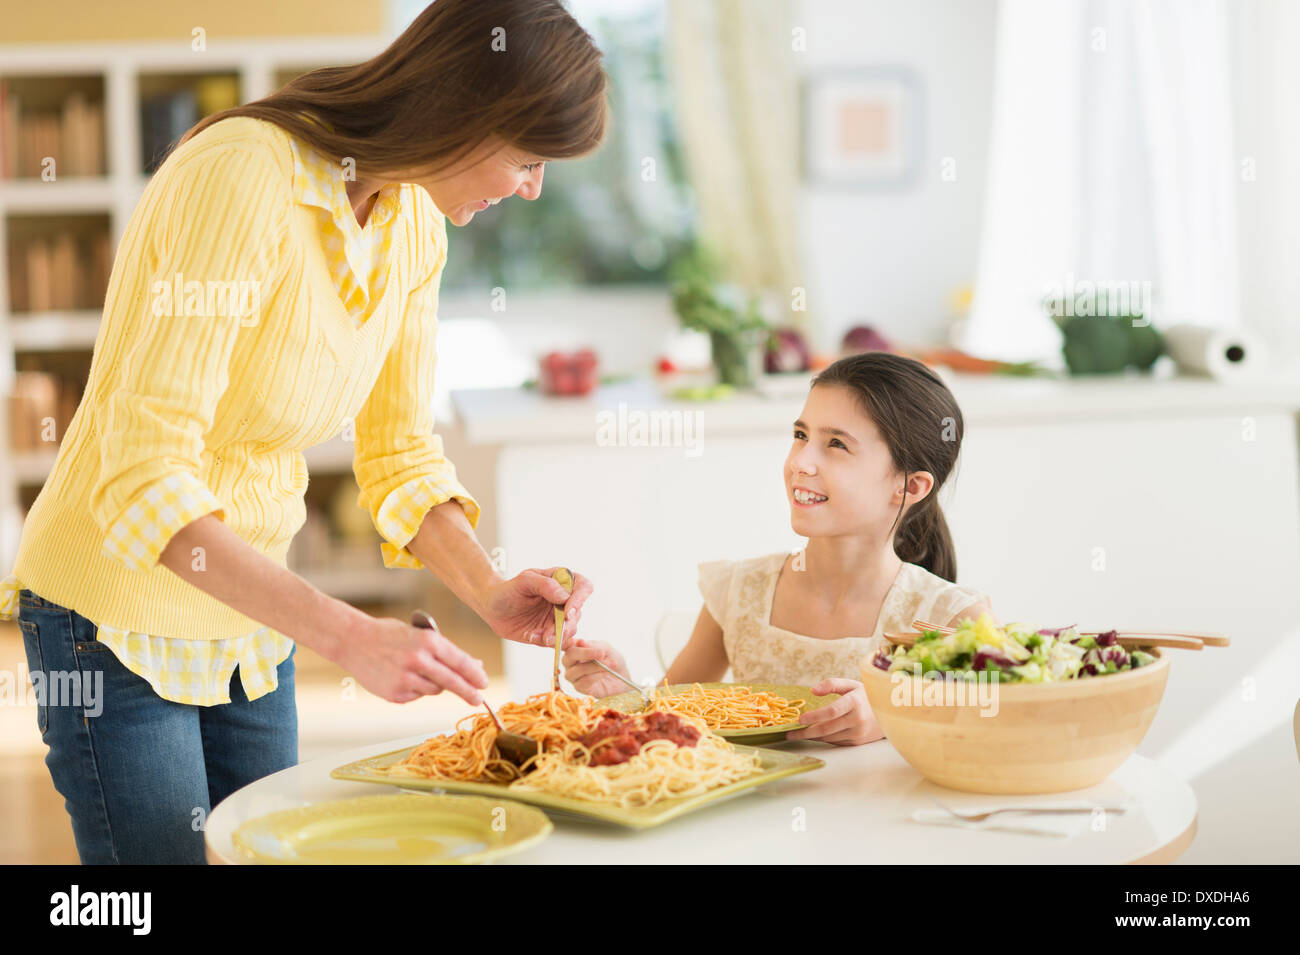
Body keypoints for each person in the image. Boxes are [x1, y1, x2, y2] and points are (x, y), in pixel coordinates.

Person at [0, 0, 606, 864]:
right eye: (530, 157)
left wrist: (489, 591)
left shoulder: (412, 226)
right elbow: (141, 475)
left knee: (271, 855)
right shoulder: (241, 176)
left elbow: (399, 453)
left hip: (251, 614)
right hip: (112, 610)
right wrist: (350, 634)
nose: (532, 185)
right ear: (468, 113)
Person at [564, 352, 995, 745]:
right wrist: (622, 691)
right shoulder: (737, 592)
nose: (800, 462)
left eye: (837, 444)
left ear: (910, 486)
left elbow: (991, 739)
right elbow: (669, 723)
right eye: (800, 435)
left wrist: (893, 717)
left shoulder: (952, 618)